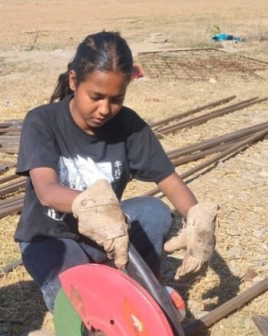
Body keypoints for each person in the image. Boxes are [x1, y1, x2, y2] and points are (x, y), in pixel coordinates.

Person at [14, 31, 218, 311]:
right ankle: (103, 282)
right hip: (52, 236)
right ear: (74, 81)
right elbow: (47, 191)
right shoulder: (42, 122)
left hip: (108, 233)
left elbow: (169, 180)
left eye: (116, 99)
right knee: (86, 304)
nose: (104, 109)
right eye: (96, 97)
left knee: (155, 212)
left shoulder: (129, 125)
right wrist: (89, 205)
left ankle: (137, 282)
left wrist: (197, 219)